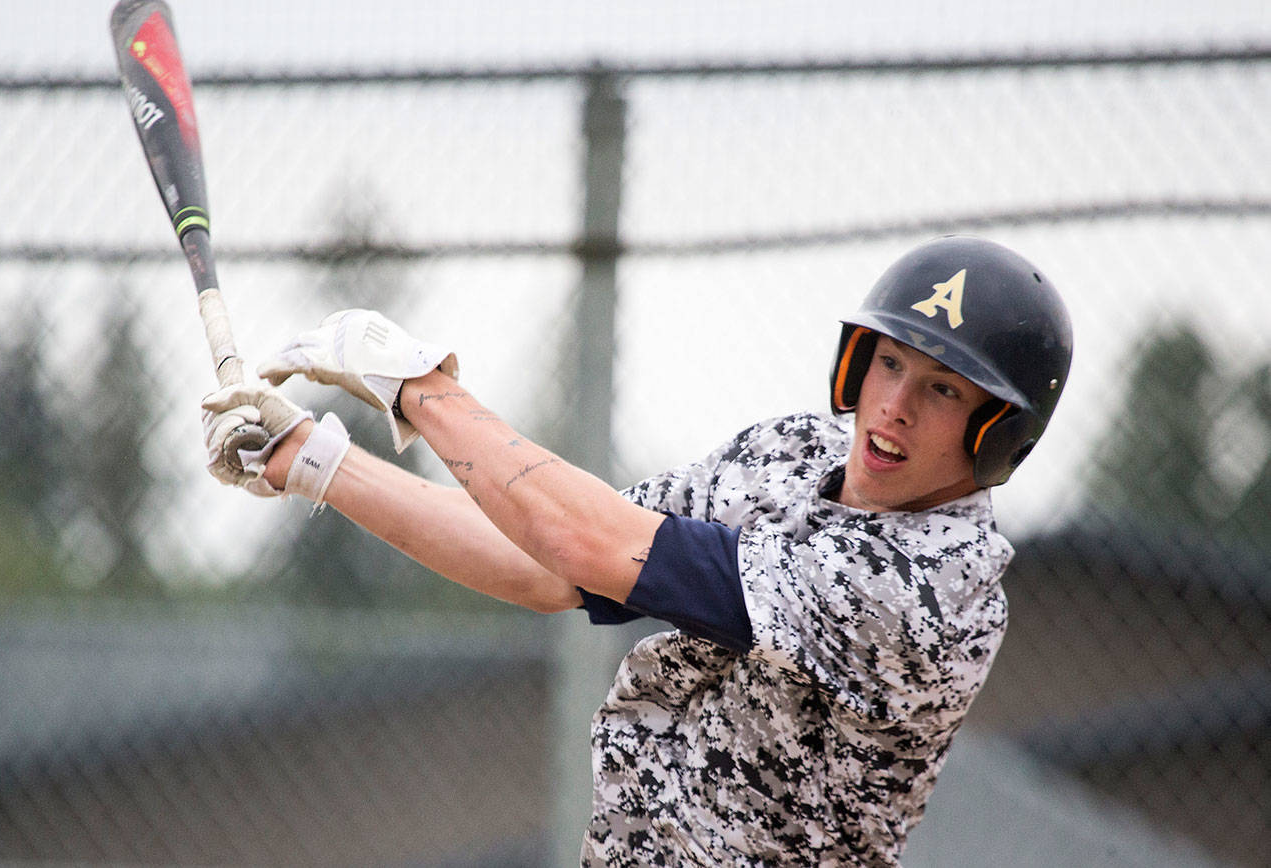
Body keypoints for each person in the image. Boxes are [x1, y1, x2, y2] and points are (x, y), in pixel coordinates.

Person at [201, 234, 1073, 866]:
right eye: (889, 364)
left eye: (943, 389)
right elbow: (552, 562)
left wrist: (422, 389)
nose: (895, 407)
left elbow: (587, 535)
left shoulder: (926, 590)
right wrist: (313, 462)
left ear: (999, 433)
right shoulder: (793, 457)